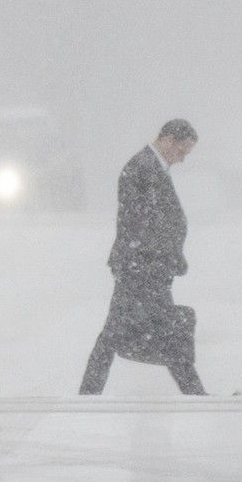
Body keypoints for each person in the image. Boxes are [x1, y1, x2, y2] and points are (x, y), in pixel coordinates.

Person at [79, 119, 207, 395]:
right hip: (142, 266)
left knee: (122, 332)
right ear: (168, 140)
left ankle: (89, 392)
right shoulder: (142, 168)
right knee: (160, 328)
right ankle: (194, 391)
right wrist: (161, 255)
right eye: (182, 151)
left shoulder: (151, 167)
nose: (182, 159)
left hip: (145, 265)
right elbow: (139, 222)